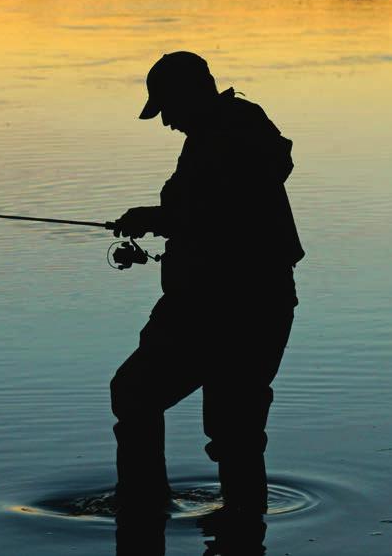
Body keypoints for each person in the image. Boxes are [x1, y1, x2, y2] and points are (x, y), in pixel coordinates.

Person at [109, 52, 304, 517]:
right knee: (224, 426)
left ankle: (145, 514)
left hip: (226, 307)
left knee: (152, 399)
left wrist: (154, 218)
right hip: (230, 302)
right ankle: (204, 518)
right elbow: (209, 209)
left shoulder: (230, 135)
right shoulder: (227, 132)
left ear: (190, 95)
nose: (166, 123)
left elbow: (223, 211)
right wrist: (162, 221)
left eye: (167, 109)